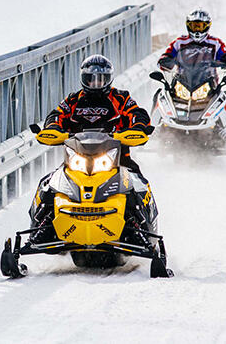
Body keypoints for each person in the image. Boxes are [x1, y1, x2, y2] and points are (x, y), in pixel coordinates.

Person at [29, 54, 154, 243]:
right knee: (48, 184)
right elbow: (57, 114)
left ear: (108, 78)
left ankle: (141, 229)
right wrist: (53, 128)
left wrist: (138, 127)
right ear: (83, 78)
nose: (96, 83)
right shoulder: (73, 100)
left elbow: (137, 113)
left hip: (116, 158)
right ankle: (41, 228)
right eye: (91, 78)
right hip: (77, 159)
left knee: (137, 182)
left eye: (101, 78)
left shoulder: (120, 97)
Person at [158, 9, 226, 71]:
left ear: (207, 26)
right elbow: (168, 54)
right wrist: (165, 60)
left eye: (200, 26)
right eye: (194, 26)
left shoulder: (215, 43)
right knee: (166, 90)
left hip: (209, 82)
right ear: (188, 26)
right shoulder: (180, 42)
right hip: (182, 81)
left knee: (222, 92)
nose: (197, 30)